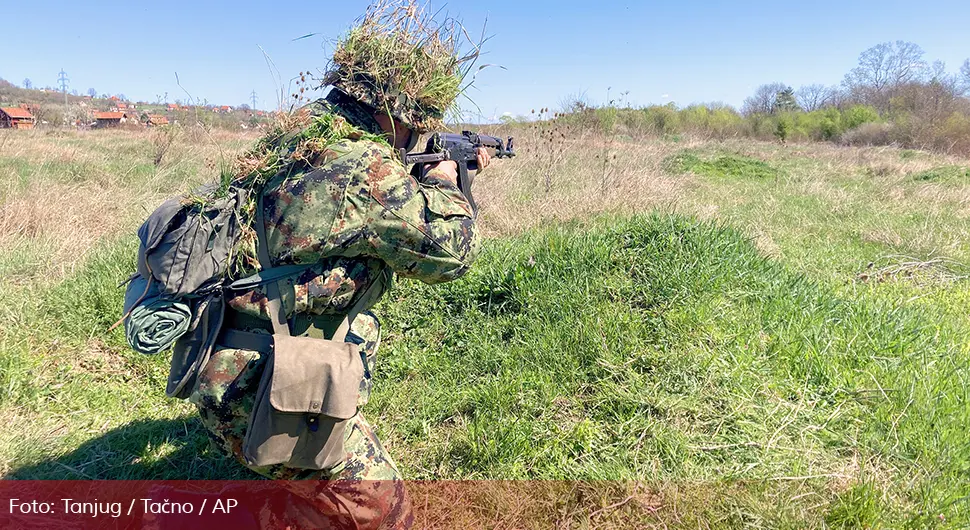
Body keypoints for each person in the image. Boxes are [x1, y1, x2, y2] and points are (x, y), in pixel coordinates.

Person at [186, 13, 491, 528]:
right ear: (397, 112)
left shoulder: (299, 136)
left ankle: (292, 490)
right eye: (419, 121)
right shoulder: (366, 168)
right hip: (265, 391)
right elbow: (452, 256)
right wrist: (447, 183)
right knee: (387, 512)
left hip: (221, 361)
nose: (420, 131)